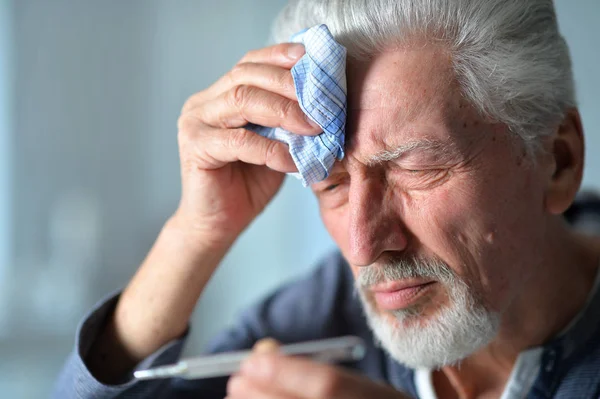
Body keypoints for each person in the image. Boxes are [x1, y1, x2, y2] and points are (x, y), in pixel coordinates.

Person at [53, 0, 600, 398]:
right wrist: (195, 232)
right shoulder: (331, 308)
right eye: (331, 184)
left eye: (417, 168)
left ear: (558, 161)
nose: (363, 246)